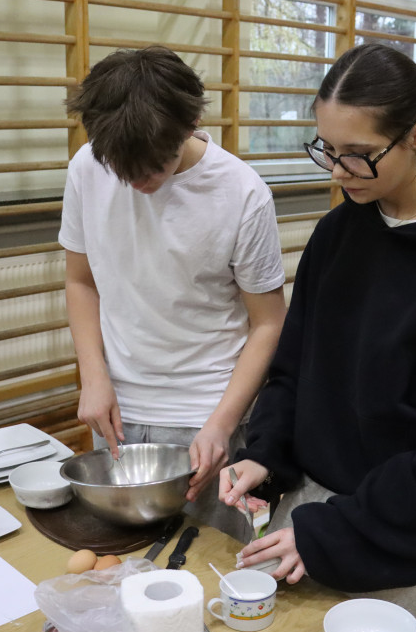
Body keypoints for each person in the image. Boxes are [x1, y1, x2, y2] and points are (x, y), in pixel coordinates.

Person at [219, 43, 416, 632]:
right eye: (328, 150)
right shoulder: (340, 231)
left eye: (357, 156)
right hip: (315, 502)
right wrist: (265, 452)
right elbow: (295, 365)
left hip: (401, 518)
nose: (336, 172)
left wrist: (341, 528)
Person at [60, 46, 287, 542]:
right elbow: (81, 280)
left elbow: (268, 322)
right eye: (124, 172)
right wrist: (92, 376)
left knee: (208, 565)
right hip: (117, 408)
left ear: (192, 123)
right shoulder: (87, 166)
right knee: (117, 568)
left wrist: (222, 424)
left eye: (153, 170)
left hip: (205, 415)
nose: (139, 184)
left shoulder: (242, 195)